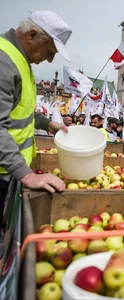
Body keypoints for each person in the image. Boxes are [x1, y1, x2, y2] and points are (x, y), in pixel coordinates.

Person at [0, 11, 72, 230]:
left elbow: (20, 110)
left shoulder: (20, 60)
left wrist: (49, 124)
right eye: (49, 51)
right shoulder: (5, 62)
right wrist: (25, 174)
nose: (49, 59)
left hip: (7, 170)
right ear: (31, 35)